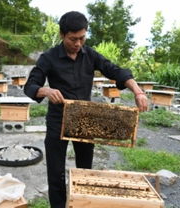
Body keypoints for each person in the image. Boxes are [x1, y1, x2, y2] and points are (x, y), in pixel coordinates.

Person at [24, 11, 148, 208]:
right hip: (58, 122)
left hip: (85, 120)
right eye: (73, 39)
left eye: (82, 38)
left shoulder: (90, 55)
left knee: (85, 171)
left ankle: (82, 204)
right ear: (62, 34)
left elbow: (115, 71)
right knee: (56, 175)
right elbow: (30, 86)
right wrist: (45, 90)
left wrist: (138, 91)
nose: (78, 44)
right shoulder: (48, 58)